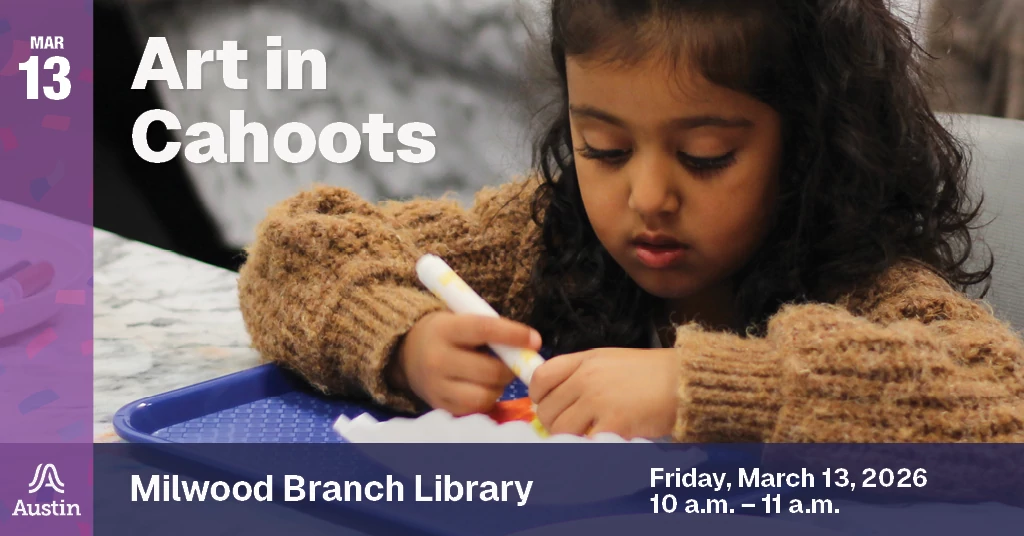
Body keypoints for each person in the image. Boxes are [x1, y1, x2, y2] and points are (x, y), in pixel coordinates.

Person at [237, 0, 1024, 443]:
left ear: (812, 146)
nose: (647, 196)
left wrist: (703, 387)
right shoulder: (546, 239)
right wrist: (404, 337)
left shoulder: (865, 288)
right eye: (604, 147)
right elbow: (295, 248)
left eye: (707, 155)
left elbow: (1001, 405)